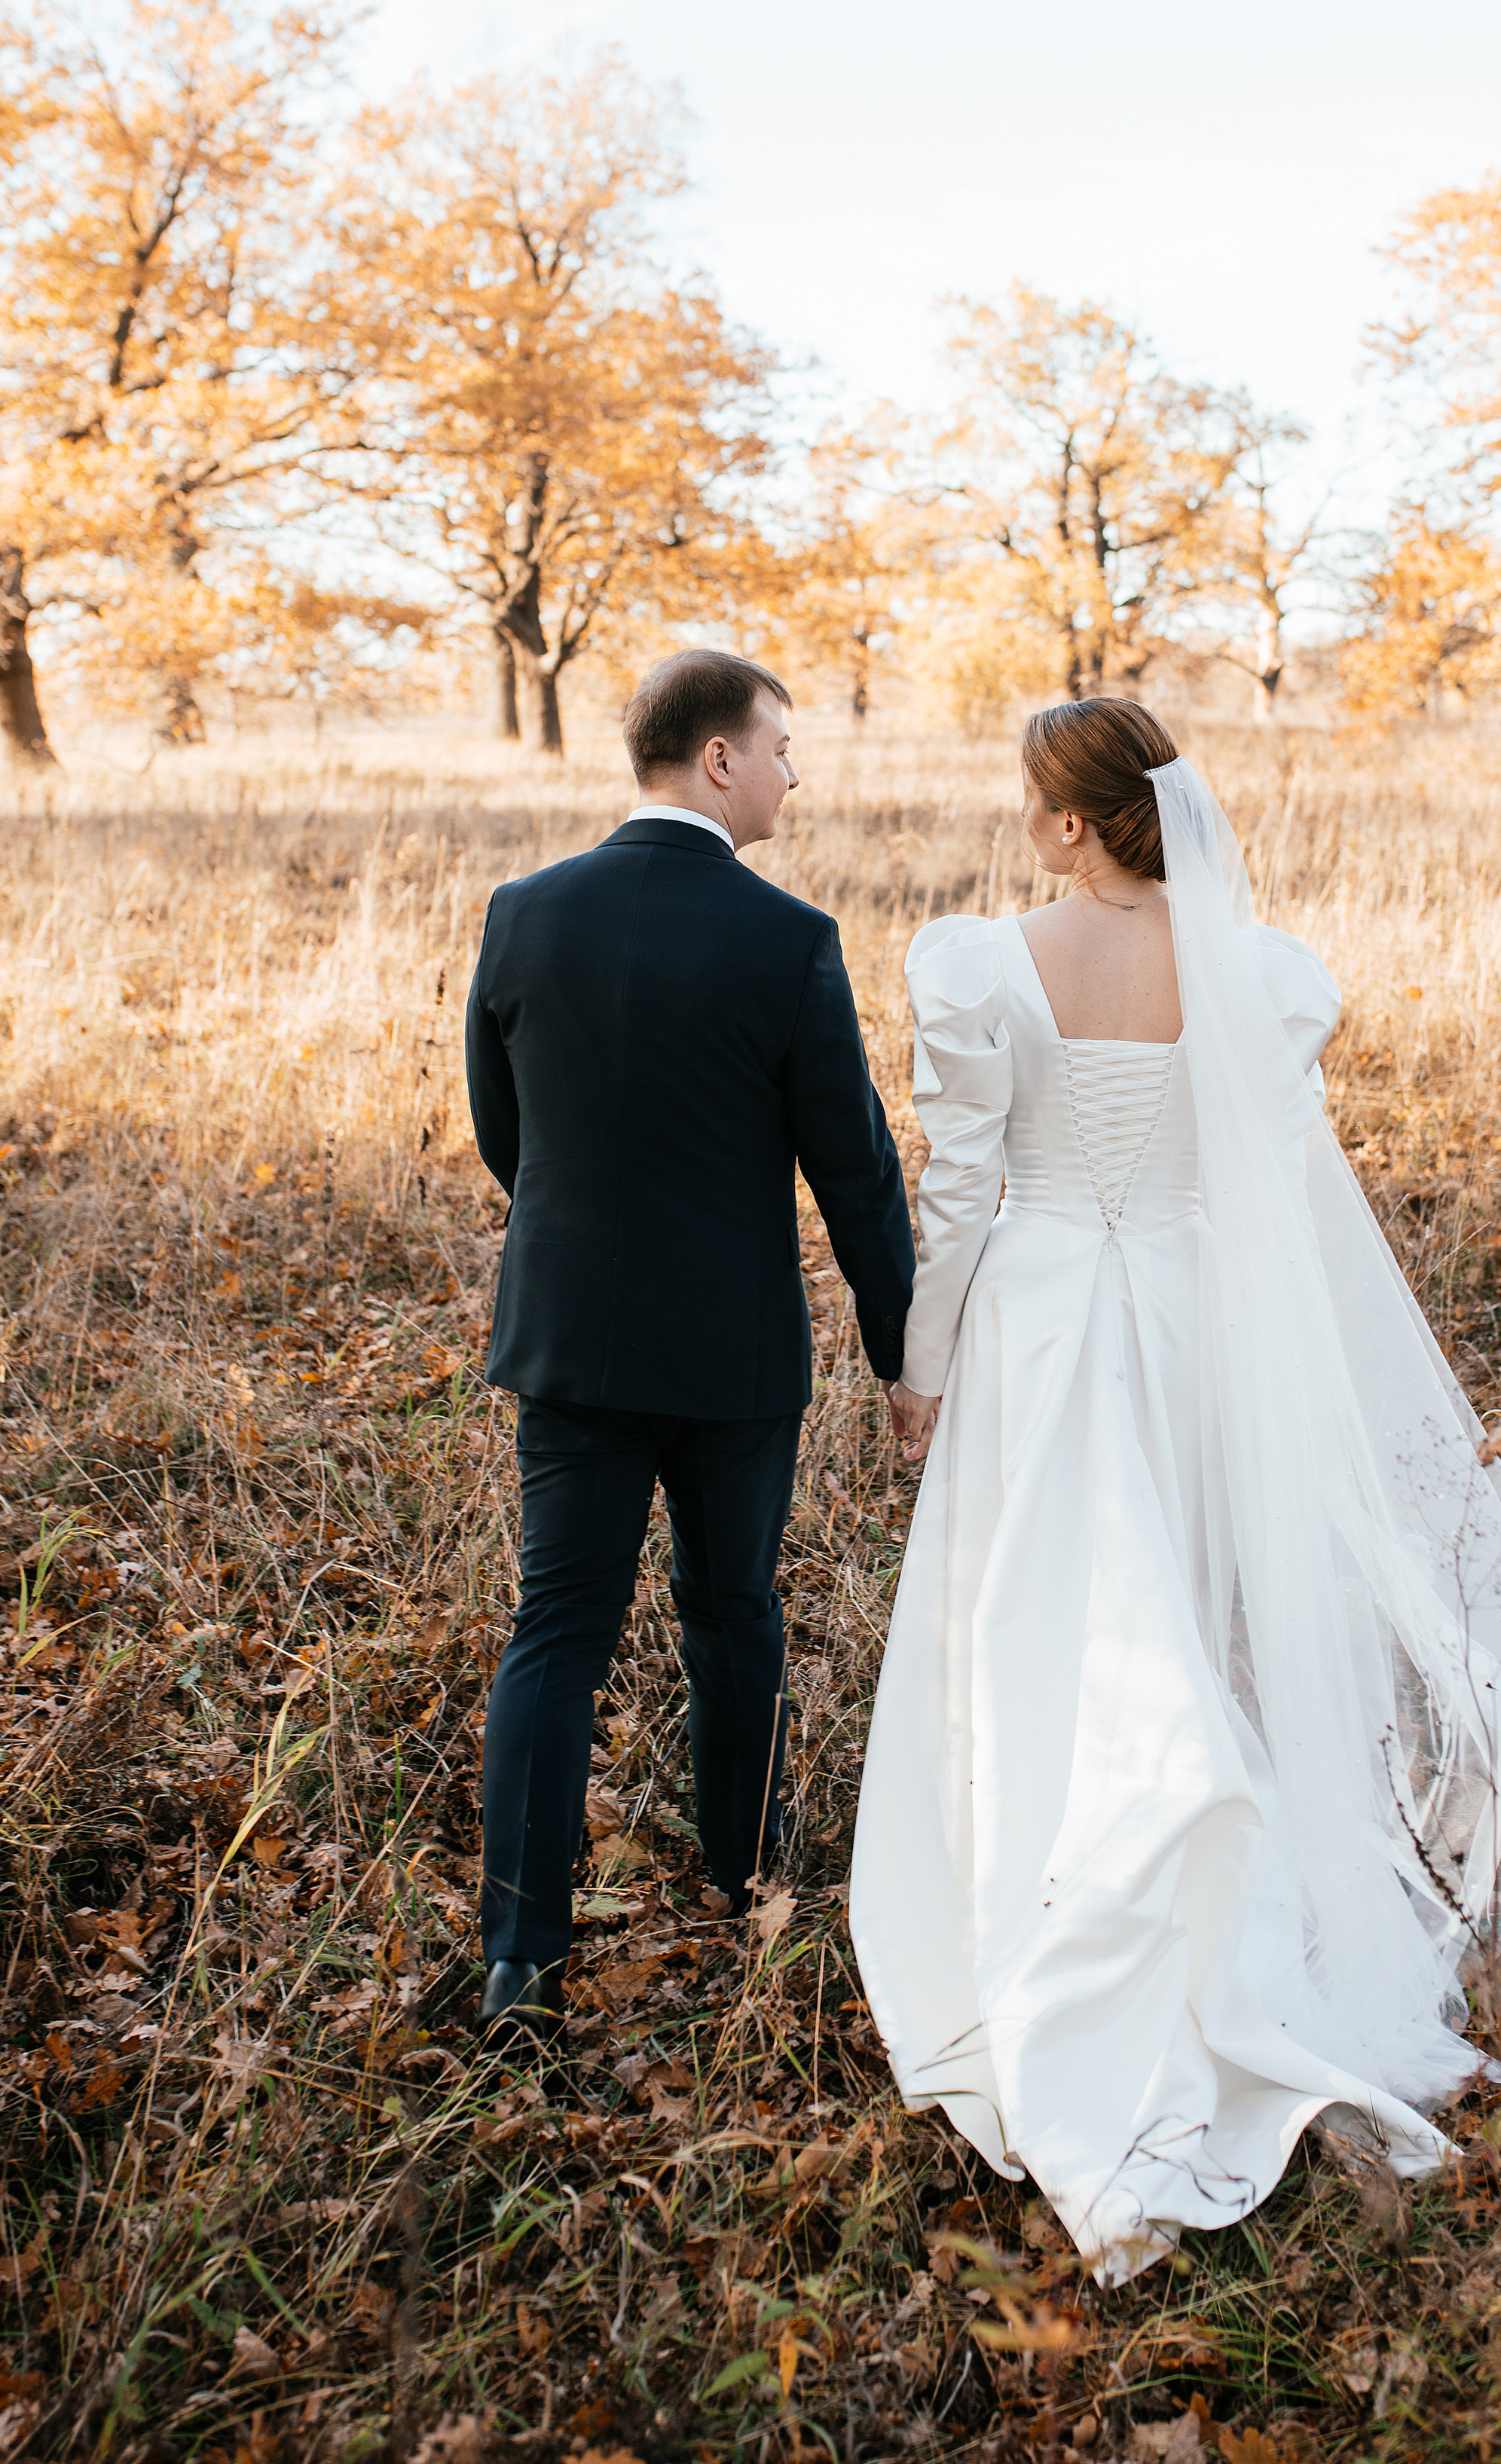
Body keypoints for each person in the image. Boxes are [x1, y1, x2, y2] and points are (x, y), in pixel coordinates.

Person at [852, 695, 1501, 2280]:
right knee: (1174, 1589)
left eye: (1032, 799)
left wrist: (921, 1361)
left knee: (1048, 1612)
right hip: (1184, 1320)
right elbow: (1270, 1192)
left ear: (1064, 821)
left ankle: (1072, 1887)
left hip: (1040, 1323)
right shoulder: (1256, 972)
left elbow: (957, 1183)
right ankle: (1193, 1876)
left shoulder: (978, 963)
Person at [466, 649, 916, 2026]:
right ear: (718, 761)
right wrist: (903, 1350)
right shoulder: (789, 940)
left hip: (573, 1344)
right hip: (732, 1363)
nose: (795, 771)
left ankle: (521, 1959)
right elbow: (855, 1167)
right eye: (783, 745)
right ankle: (749, 1883)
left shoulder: (525, 914)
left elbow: (507, 1137)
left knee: (558, 1633)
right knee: (734, 1618)